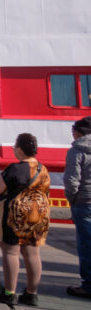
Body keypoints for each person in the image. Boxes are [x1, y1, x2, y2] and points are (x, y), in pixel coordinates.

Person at [0, 133, 50, 306]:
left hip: (15, 216)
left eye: (15, 147)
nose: (14, 150)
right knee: (32, 253)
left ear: (21, 150)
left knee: (10, 252)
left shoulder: (14, 168)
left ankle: (10, 293)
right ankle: (31, 293)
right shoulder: (43, 169)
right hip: (38, 215)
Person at [64, 116, 91, 299]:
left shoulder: (76, 150)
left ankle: (88, 285)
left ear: (78, 132)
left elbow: (72, 180)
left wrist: (72, 199)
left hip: (84, 202)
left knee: (86, 244)